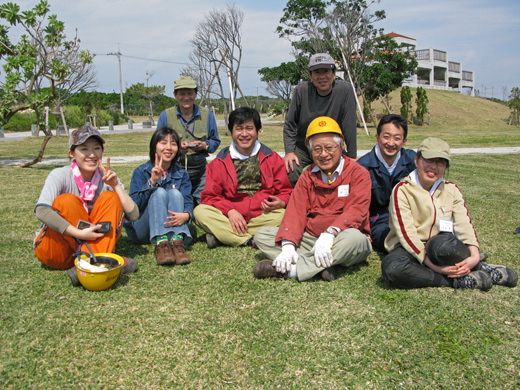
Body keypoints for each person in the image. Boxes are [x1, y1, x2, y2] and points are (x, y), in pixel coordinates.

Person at [381, 137, 517, 291]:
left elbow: (464, 225)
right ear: (417, 160)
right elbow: (407, 234)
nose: (433, 166)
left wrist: (474, 256)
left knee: (441, 247)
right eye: (429, 160)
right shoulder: (402, 190)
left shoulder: (451, 190)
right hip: (411, 250)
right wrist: (437, 269)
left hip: (442, 247)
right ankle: (456, 280)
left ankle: (479, 266)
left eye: (440, 162)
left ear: (446, 166)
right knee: (392, 268)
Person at [253, 116, 372, 282]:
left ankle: (292, 270)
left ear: (341, 146)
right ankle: (324, 264)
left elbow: (357, 211)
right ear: (309, 151)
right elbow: (296, 211)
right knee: (262, 235)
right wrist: (288, 247)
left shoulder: (359, 173)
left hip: (343, 237)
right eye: (317, 149)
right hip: (313, 239)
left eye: (329, 148)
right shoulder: (307, 175)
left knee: (356, 240)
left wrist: (330, 233)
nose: (323, 154)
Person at [33, 124, 139, 284]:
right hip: (58, 251)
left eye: (96, 148)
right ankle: (103, 262)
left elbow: (134, 215)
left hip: (87, 250)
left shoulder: (107, 179)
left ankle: (85, 264)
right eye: (84, 149)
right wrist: (77, 233)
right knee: (66, 200)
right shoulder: (60, 175)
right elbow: (41, 210)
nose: (91, 154)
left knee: (111, 197)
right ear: (72, 154)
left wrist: (116, 185)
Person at [194, 107, 292, 248]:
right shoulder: (219, 163)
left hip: (264, 217)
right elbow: (209, 197)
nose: (244, 134)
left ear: (257, 131)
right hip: (230, 218)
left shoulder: (272, 158)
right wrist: (230, 211)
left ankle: (225, 237)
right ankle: (251, 240)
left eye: (249, 128)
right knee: (200, 212)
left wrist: (281, 202)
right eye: (239, 129)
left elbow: (286, 191)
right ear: (231, 131)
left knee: (284, 214)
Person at [283, 53, 357, 186]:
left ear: (334, 74)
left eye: (326, 71)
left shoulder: (345, 90)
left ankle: (335, 200)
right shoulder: (301, 90)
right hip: (304, 146)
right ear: (311, 76)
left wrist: (352, 156)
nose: (322, 76)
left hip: (332, 145)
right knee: (290, 169)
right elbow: (290, 124)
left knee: (351, 172)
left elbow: (349, 124)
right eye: (317, 72)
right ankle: (296, 201)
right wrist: (289, 152)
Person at [124, 127, 193, 266]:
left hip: (172, 226)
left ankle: (177, 242)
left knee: (174, 193)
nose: (168, 147)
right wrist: (152, 182)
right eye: (163, 143)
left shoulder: (182, 174)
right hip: (142, 229)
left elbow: (188, 201)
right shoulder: (141, 171)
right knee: (159, 192)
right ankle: (162, 244)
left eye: (173, 144)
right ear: (154, 146)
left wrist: (186, 215)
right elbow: (134, 208)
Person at [156, 76, 221, 206]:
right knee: (175, 203)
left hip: (200, 169)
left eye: (190, 93)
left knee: (205, 206)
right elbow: (158, 145)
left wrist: (205, 145)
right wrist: (176, 148)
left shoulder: (207, 115)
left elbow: (215, 141)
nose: (186, 97)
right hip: (174, 169)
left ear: (196, 94)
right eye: (182, 94)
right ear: (175, 95)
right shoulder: (166, 116)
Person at [357, 114, 416, 252]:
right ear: (377, 138)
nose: (391, 143)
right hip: (380, 222)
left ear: (404, 141)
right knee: (396, 244)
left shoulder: (413, 161)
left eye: (397, 138)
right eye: (386, 136)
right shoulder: (363, 167)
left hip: (411, 217)